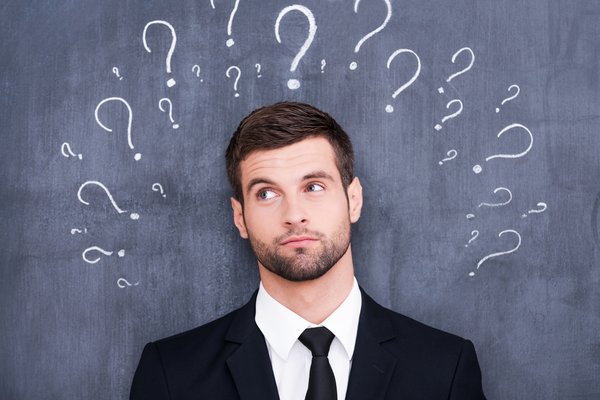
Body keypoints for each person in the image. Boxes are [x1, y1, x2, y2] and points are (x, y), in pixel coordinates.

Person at [130, 101, 486, 399]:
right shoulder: (171, 374)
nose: (294, 215)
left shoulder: (445, 369)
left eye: (313, 186)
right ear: (240, 217)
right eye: (266, 194)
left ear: (354, 199)